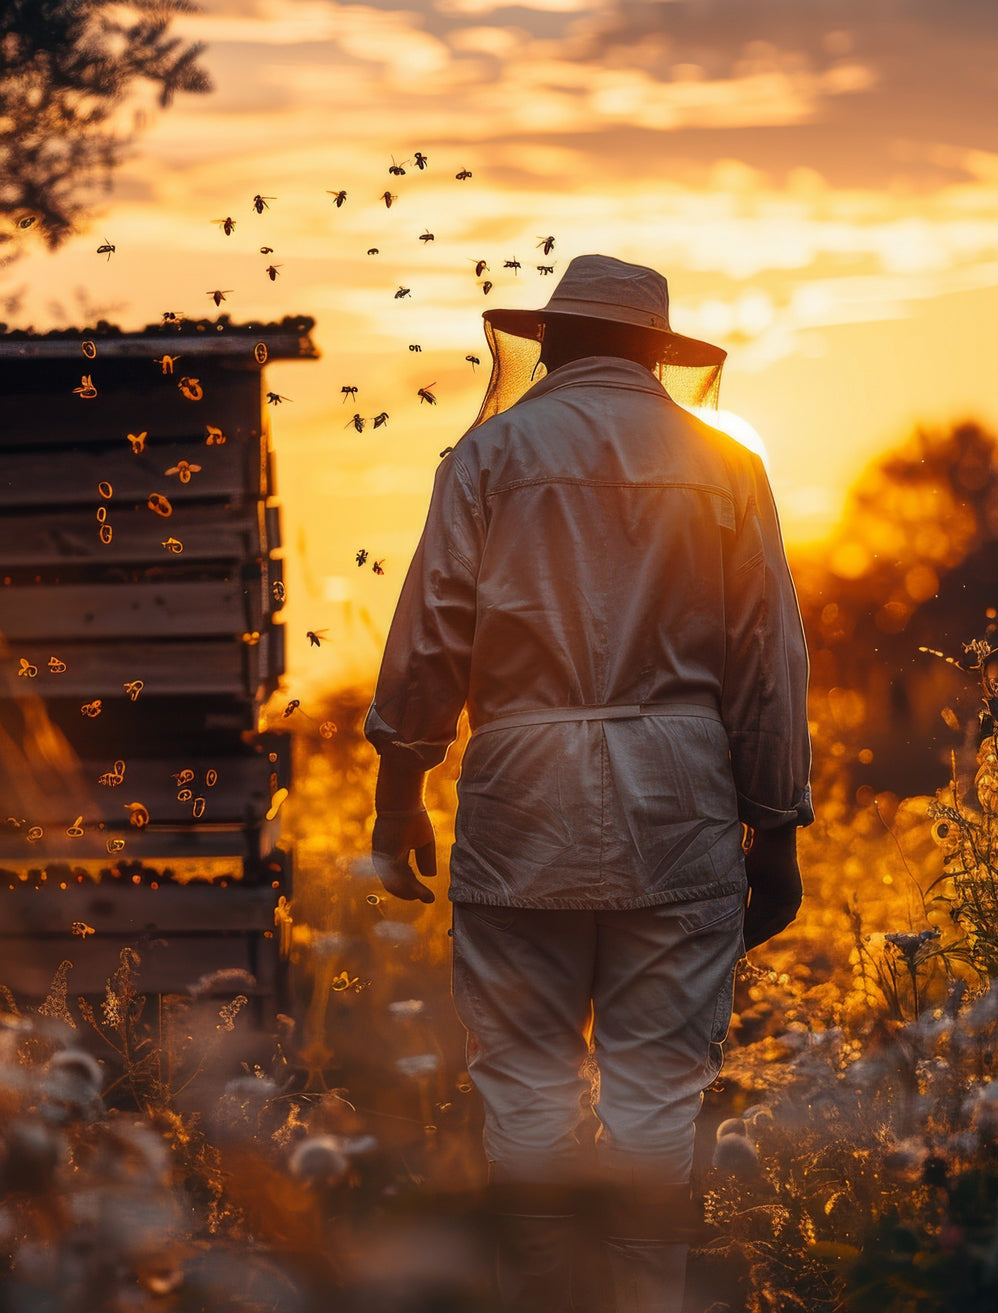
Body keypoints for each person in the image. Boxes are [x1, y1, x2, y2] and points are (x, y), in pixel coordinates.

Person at [364, 254, 813, 1313]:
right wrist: (776, 827)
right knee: (658, 1095)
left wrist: (398, 788)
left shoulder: (486, 453)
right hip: (679, 807)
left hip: (520, 801)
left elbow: (429, 633)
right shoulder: (725, 466)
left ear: (551, 343)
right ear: (655, 353)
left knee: (522, 1089)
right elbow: (765, 660)